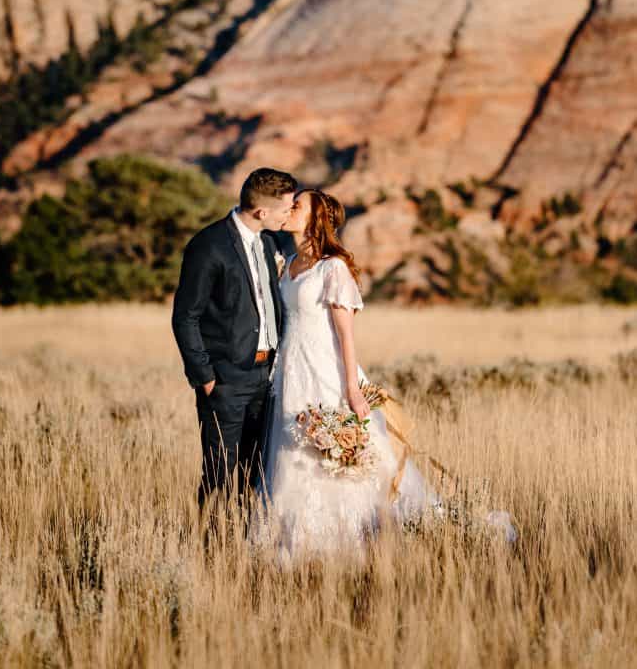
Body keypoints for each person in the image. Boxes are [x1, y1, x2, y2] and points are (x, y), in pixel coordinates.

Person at [249, 189, 516, 560]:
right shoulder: (290, 262)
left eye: (298, 207)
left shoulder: (333, 267)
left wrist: (353, 390)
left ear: (315, 219)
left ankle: (359, 535)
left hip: (326, 369)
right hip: (291, 371)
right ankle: (296, 539)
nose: (289, 211)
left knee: (341, 453)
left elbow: (345, 334)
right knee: (292, 450)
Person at [171, 167, 297, 522]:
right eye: (285, 209)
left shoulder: (268, 241)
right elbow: (185, 316)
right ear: (262, 212)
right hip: (225, 380)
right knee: (219, 472)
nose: (289, 215)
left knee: (254, 473)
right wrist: (205, 376)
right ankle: (211, 549)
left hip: (265, 376)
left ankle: (243, 544)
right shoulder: (208, 245)